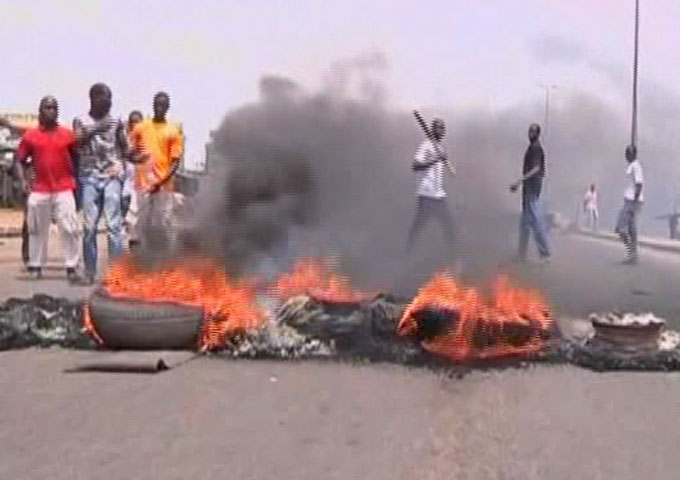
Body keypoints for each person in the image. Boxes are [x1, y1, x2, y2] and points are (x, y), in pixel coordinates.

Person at [13, 96, 79, 281]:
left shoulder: (68, 135)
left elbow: (77, 159)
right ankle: (35, 265)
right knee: (36, 229)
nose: (51, 111)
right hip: (39, 189)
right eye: (47, 108)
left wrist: (77, 184)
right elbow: (19, 160)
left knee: (69, 228)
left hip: (64, 187)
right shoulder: (31, 136)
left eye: (54, 108)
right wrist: (23, 181)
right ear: (40, 111)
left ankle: (72, 267)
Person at [73, 83, 132, 285]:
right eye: (106, 98)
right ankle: (90, 272)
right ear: (94, 98)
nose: (109, 103)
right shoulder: (80, 120)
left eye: (111, 98)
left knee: (113, 225)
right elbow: (78, 143)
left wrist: (132, 158)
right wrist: (96, 129)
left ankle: (117, 275)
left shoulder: (117, 120)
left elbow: (124, 148)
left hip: (111, 175)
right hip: (89, 176)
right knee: (89, 227)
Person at [131, 92, 184, 252]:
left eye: (163, 105)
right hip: (143, 184)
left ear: (167, 107)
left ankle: (164, 257)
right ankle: (138, 258)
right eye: (157, 104)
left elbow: (175, 162)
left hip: (164, 185)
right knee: (140, 222)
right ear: (153, 105)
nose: (159, 107)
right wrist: (137, 158)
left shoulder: (173, 130)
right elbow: (130, 151)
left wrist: (160, 182)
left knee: (163, 222)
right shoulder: (141, 128)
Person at [405, 117, 457, 261]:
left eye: (443, 128)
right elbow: (415, 166)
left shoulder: (440, 148)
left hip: (439, 196)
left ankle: (455, 258)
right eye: (438, 128)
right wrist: (435, 159)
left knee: (450, 227)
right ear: (433, 130)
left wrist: (441, 157)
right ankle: (407, 254)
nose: (441, 131)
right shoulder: (426, 146)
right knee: (418, 228)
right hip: (426, 196)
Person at [510, 123, 550, 263]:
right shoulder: (532, 147)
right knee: (525, 223)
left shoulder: (536, 148)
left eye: (533, 132)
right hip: (529, 188)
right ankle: (521, 254)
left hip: (532, 188)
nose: (530, 134)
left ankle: (545, 253)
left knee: (535, 220)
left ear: (537, 134)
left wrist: (519, 181)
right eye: (529, 131)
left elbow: (536, 168)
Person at [614, 145, 644, 264]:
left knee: (619, 227)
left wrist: (634, 205)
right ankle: (633, 254)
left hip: (632, 201)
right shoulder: (631, 166)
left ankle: (631, 252)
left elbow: (639, 185)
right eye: (626, 153)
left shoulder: (636, 166)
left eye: (628, 153)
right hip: (629, 200)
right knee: (631, 228)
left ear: (633, 154)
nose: (626, 155)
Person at [122, 110, 143, 250]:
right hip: (125, 189)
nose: (135, 126)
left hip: (140, 188)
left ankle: (135, 246)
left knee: (136, 219)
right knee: (126, 220)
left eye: (138, 123)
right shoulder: (123, 142)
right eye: (133, 123)